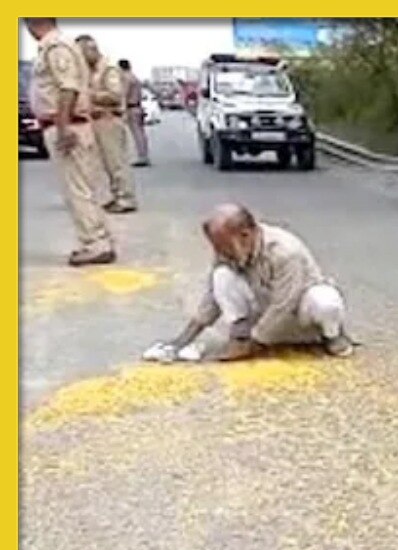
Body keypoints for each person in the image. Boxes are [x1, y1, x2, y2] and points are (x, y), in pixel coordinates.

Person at [143, 204, 354, 363]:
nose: (220, 253)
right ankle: (241, 334)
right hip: (265, 317)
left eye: (223, 248)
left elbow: (284, 304)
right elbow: (213, 297)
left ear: (246, 235)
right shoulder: (229, 252)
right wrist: (181, 341)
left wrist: (253, 344)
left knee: (325, 301)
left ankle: (332, 336)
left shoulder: (286, 252)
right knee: (221, 276)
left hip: (299, 317)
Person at [24, 18, 115, 266]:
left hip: (68, 125)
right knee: (80, 188)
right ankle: (97, 240)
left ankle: (95, 243)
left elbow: (68, 88)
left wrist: (63, 127)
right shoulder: (56, 46)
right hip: (65, 124)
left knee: (78, 190)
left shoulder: (56, 47)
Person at [76, 36, 137, 213]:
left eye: (83, 53)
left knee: (116, 162)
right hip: (98, 119)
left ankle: (126, 199)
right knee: (105, 164)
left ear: (92, 50)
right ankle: (116, 195)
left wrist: (90, 95)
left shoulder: (108, 69)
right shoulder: (91, 70)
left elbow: (115, 94)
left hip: (109, 119)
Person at [117, 59, 150, 167]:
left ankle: (141, 157)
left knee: (136, 133)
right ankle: (144, 155)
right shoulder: (135, 77)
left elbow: (124, 94)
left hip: (131, 107)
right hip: (138, 107)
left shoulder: (126, 78)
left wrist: (122, 110)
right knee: (140, 133)